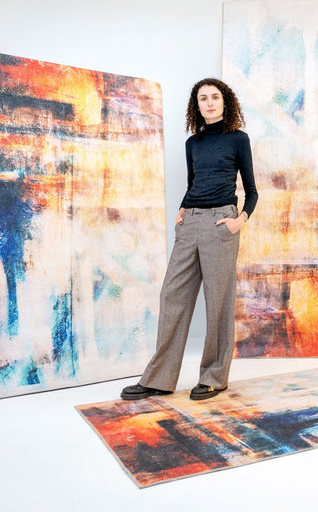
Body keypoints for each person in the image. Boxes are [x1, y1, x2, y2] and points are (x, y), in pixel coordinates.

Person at [121, 78, 258, 401]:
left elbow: (252, 190)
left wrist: (239, 220)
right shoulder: (192, 143)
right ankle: (159, 378)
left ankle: (214, 377)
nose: (209, 103)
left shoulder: (238, 139)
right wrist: (182, 210)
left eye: (214, 97)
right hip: (190, 222)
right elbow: (193, 182)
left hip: (221, 223)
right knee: (172, 295)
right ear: (196, 106)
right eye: (202, 99)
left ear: (225, 102)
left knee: (218, 301)